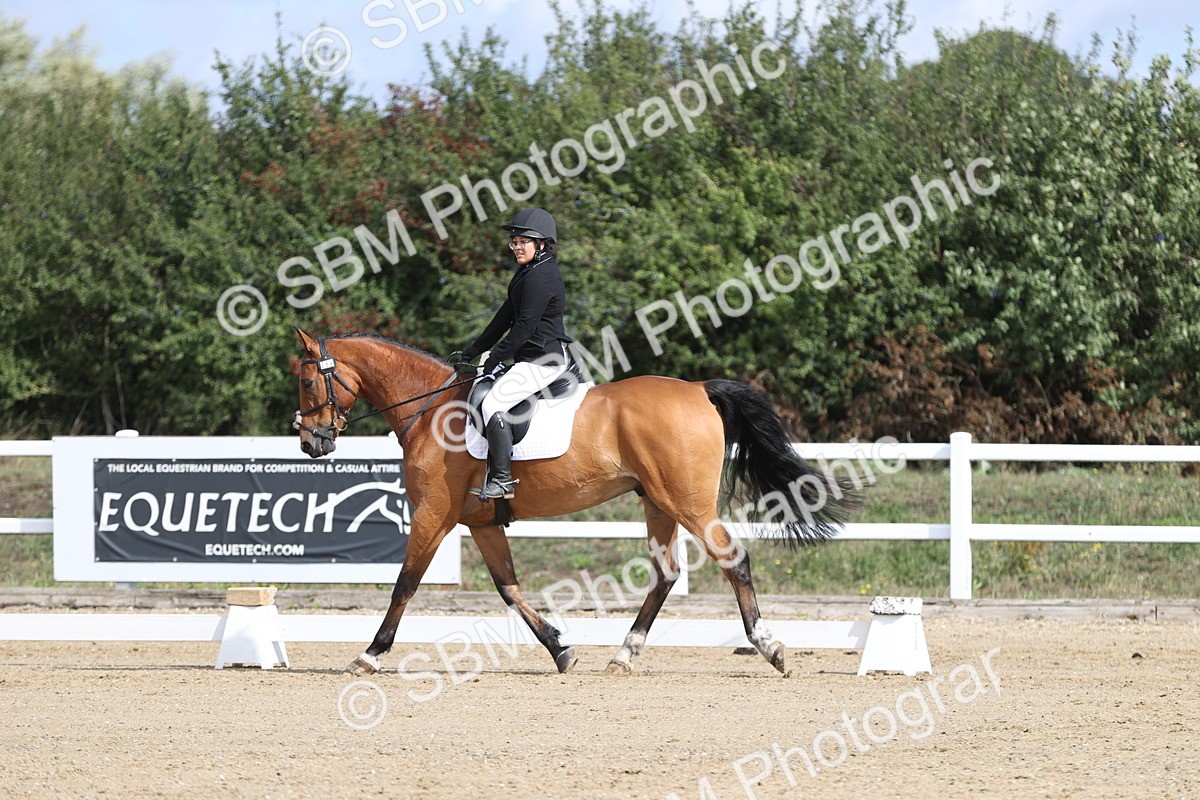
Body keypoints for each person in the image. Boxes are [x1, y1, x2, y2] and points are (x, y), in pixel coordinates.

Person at [457, 208, 574, 499]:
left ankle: (503, 480)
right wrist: (474, 350)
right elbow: (503, 317)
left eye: (524, 241)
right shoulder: (527, 272)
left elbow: (522, 328)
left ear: (542, 244)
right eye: (514, 241)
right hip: (530, 357)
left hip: (544, 360)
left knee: (492, 403)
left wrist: (494, 357)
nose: (517, 247)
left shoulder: (541, 277)